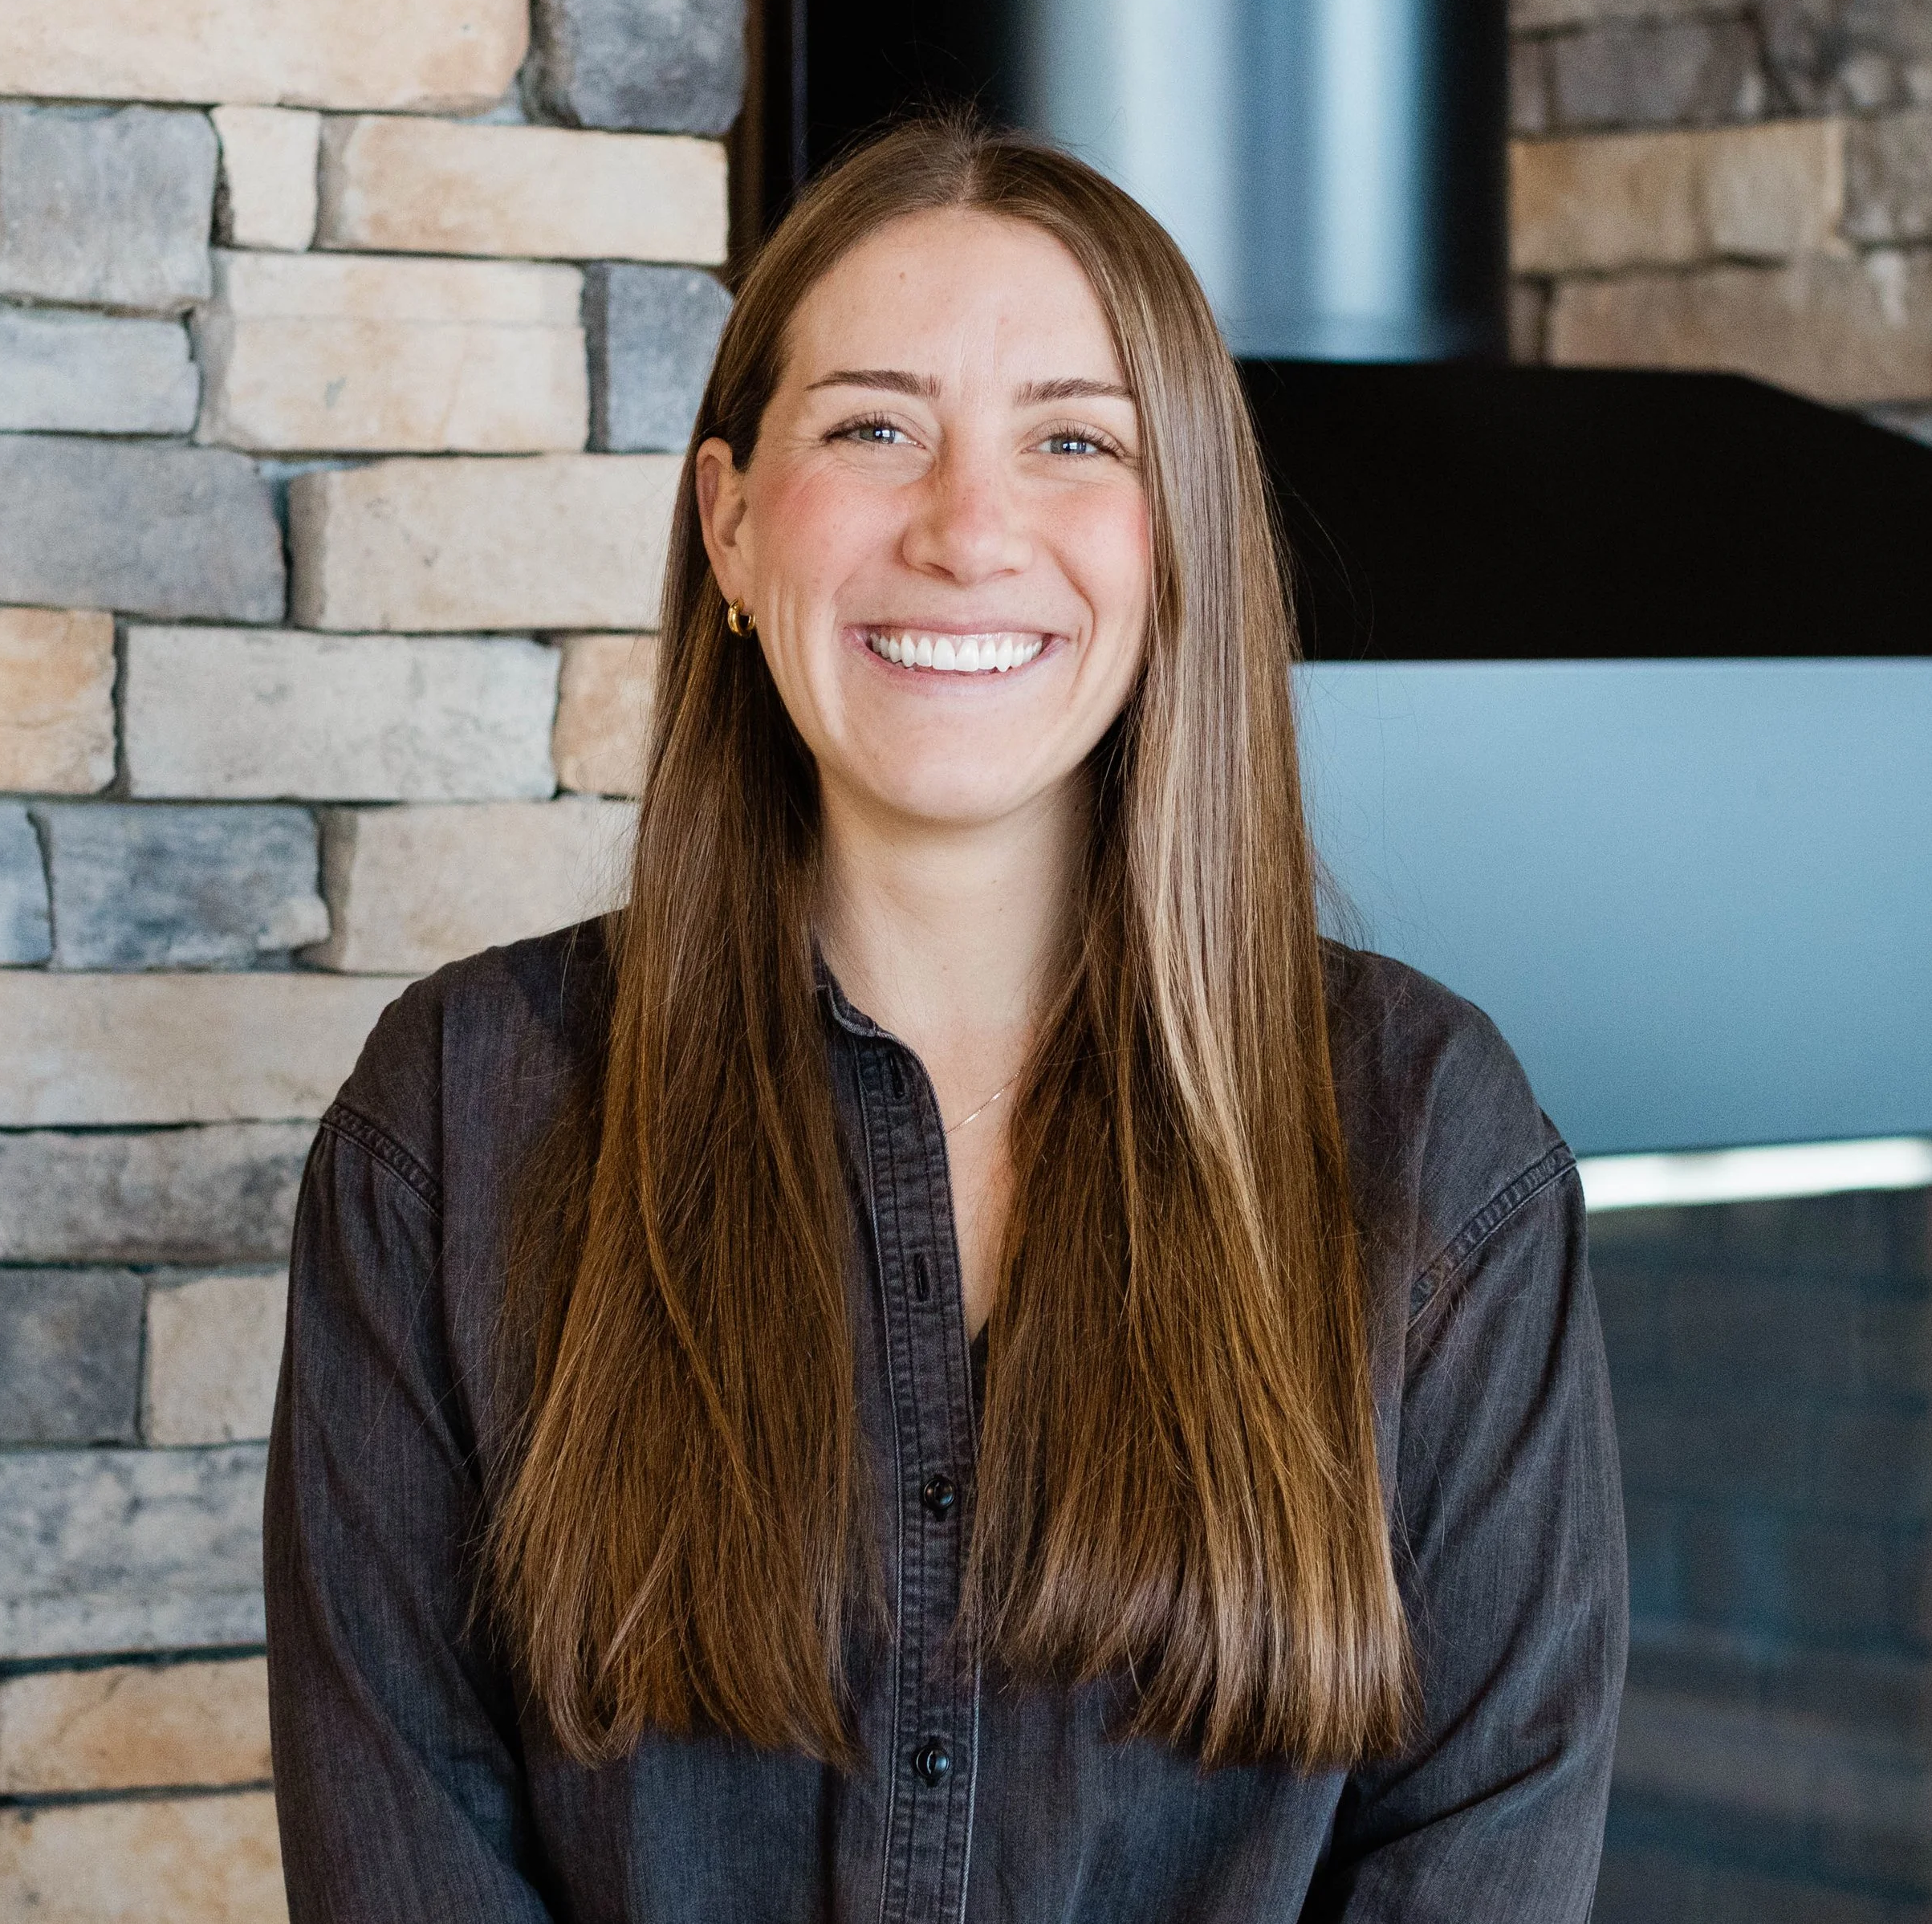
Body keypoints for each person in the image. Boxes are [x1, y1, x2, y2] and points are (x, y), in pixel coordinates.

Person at [264, 116, 1625, 1922]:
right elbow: (404, 1860)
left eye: (1072, 440)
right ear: (733, 527)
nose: (968, 528)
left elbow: (1481, 1848)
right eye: (872, 426)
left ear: (1179, 542)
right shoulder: (456, 1118)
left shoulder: (1428, 1135)